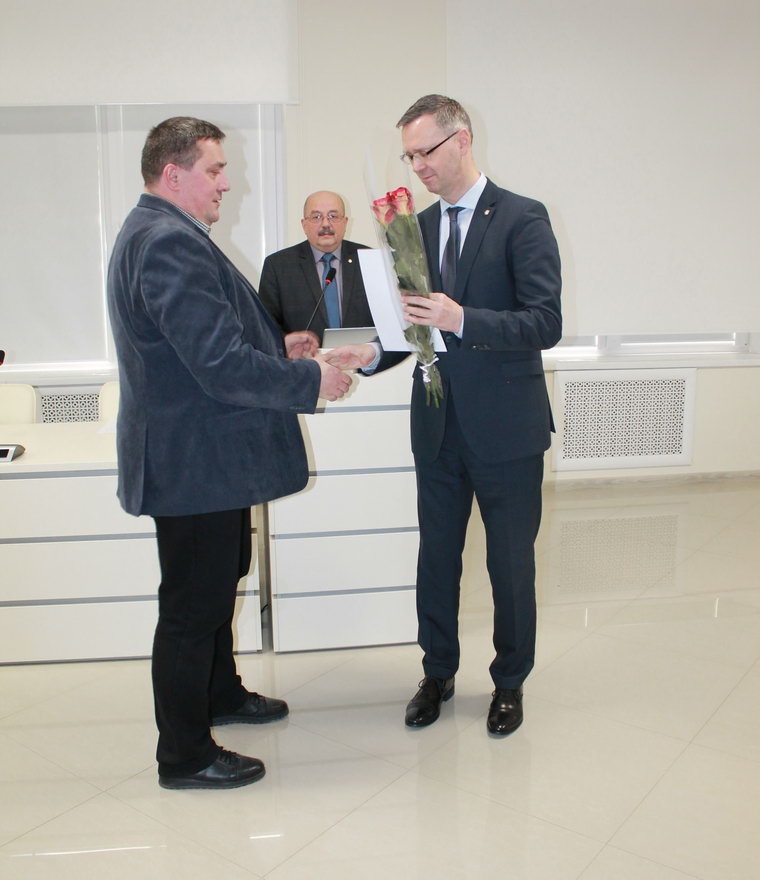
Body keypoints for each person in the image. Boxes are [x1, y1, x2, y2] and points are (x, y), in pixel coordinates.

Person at [107, 117, 351, 790]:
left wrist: (279, 347)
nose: (225, 182)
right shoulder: (167, 242)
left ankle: (219, 693)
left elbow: (200, 344)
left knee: (219, 582)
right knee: (193, 606)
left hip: (202, 459)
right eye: (214, 170)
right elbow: (217, 365)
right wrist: (309, 379)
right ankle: (184, 754)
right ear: (173, 174)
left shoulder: (160, 231)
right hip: (194, 463)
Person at [326, 95, 562, 736]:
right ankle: (437, 673)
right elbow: (412, 329)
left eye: (425, 152)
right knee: (436, 559)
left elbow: (545, 322)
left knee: (509, 565)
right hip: (436, 426)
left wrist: (463, 318)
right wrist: (370, 354)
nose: (417, 167)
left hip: (507, 428)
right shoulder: (417, 229)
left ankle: (509, 682)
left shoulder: (522, 217)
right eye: (409, 157)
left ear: (461, 140)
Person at [258, 191, 373, 344]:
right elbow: (265, 328)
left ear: (345, 222)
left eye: (333, 216)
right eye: (316, 217)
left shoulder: (370, 260)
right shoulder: (278, 266)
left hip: (361, 357)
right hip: (305, 358)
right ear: (304, 225)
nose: (326, 224)